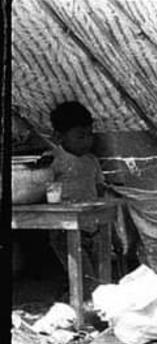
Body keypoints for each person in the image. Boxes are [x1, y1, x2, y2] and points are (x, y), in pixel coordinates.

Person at [46, 101, 109, 293]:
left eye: (89, 135)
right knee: (83, 276)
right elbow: (45, 190)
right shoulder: (54, 161)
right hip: (64, 229)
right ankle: (79, 311)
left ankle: (85, 307)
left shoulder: (92, 161)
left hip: (92, 228)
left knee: (97, 276)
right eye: (80, 136)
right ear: (59, 136)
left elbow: (99, 190)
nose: (87, 141)